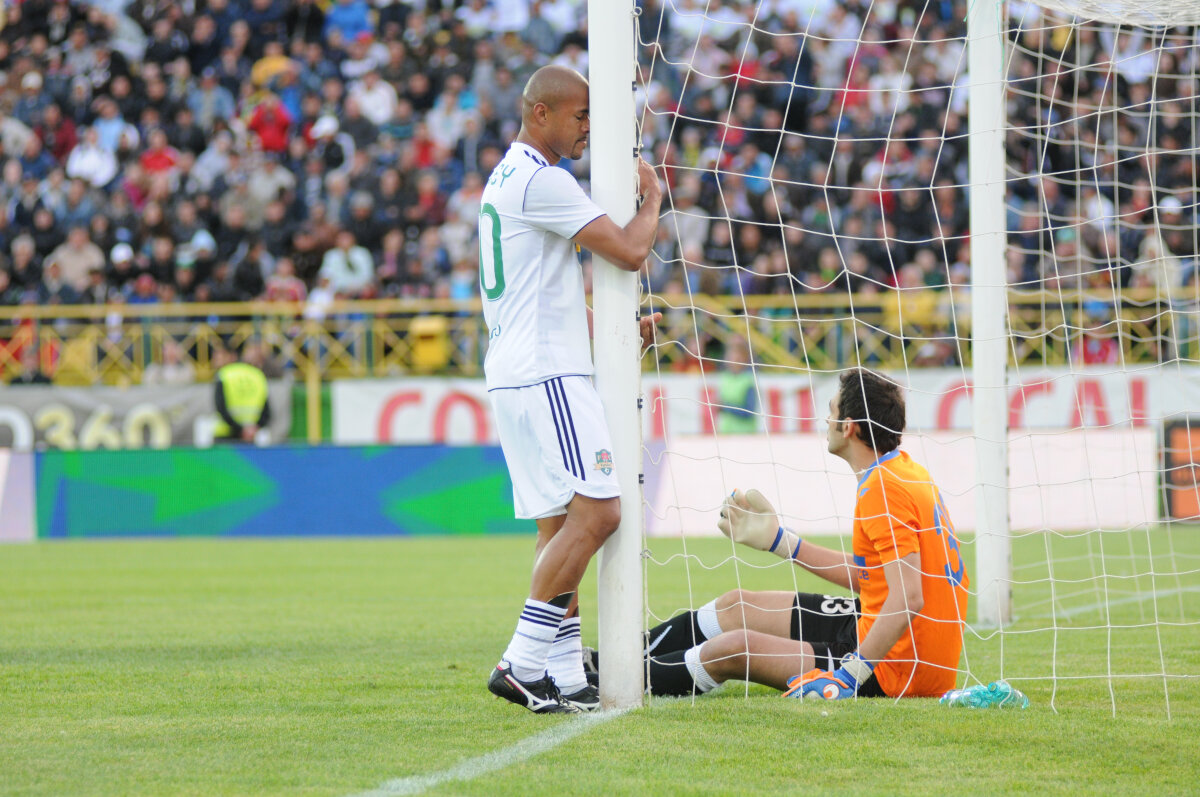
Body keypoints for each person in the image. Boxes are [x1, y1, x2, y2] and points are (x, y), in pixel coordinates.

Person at [481, 64, 663, 714]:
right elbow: (628, 250)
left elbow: (544, 288)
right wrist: (654, 200)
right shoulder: (542, 179)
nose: (588, 127)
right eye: (580, 115)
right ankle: (522, 662)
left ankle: (564, 674)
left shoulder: (503, 178)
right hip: (547, 371)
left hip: (514, 366)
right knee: (601, 512)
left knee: (558, 523)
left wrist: (614, 335)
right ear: (541, 115)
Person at [642, 368, 969, 700]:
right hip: (890, 633)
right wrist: (780, 541)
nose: (826, 421)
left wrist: (850, 674)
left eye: (832, 411)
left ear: (849, 426)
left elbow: (908, 597)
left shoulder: (883, 487)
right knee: (736, 605)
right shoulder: (905, 471)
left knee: (734, 648)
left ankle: (622, 677)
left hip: (896, 667)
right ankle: (615, 657)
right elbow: (874, 576)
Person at [212, 343, 271, 444]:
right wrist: (252, 429)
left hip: (225, 436)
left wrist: (241, 429)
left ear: (232, 356)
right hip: (251, 437)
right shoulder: (258, 375)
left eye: (220, 357)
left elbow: (221, 408)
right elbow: (267, 411)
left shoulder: (223, 375)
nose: (215, 361)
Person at [716, 335, 758, 433]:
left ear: (744, 359)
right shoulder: (724, 377)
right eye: (730, 357)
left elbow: (749, 411)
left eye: (736, 359)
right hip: (725, 432)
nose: (733, 361)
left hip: (744, 434)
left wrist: (725, 407)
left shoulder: (748, 381)